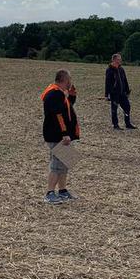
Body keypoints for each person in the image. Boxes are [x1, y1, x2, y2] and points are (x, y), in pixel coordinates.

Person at [41, 69, 79, 203]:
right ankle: (49, 193)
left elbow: (66, 108)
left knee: (64, 163)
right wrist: (64, 134)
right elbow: (58, 115)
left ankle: (62, 191)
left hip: (60, 134)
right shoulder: (55, 93)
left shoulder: (59, 93)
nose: (71, 82)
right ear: (65, 79)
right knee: (57, 165)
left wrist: (72, 96)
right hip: (56, 135)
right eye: (70, 79)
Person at [104, 53, 136, 130]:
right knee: (114, 109)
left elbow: (125, 80)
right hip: (114, 93)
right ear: (114, 60)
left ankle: (128, 123)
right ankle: (115, 125)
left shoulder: (121, 69)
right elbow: (107, 83)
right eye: (118, 59)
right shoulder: (109, 70)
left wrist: (127, 91)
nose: (120, 60)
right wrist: (106, 94)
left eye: (120, 59)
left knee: (127, 107)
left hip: (122, 93)